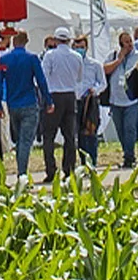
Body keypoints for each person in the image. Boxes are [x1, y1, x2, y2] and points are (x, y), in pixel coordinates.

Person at [0, 31, 51, 182]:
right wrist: (48, 100)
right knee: (26, 140)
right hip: (29, 102)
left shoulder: (4, 59)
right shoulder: (32, 58)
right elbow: (41, 81)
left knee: (19, 138)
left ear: (13, 42)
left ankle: (21, 169)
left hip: (12, 104)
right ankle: (22, 173)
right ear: (26, 41)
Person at [40, 26, 84, 183]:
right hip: (70, 95)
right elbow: (79, 78)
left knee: (49, 135)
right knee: (70, 135)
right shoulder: (77, 56)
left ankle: (51, 169)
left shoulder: (50, 55)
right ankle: (69, 168)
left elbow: (44, 77)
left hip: (54, 94)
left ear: (56, 40)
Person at [105, 30, 138, 168]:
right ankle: (127, 152)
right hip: (116, 100)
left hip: (132, 100)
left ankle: (129, 157)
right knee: (120, 130)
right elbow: (105, 70)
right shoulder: (113, 55)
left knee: (130, 128)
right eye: (126, 42)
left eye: (130, 41)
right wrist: (119, 60)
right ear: (120, 44)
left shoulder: (136, 56)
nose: (129, 44)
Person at [73, 34, 105, 167]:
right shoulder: (71, 63)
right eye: (77, 47)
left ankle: (93, 161)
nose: (80, 50)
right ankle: (83, 162)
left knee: (91, 132)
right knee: (78, 134)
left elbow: (103, 83)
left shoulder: (95, 64)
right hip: (75, 101)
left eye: (82, 47)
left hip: (90, 102)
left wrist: (95, 90)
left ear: (86, 47)